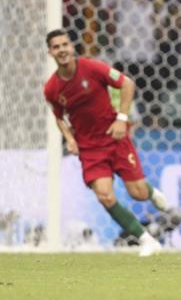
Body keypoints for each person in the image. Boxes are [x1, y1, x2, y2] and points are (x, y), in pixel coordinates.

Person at [43, 30, 166, 257]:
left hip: (115, 137)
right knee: (105, 196)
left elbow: (127, 83)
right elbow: (59, 117)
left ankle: (150, 191)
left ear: (71, 47)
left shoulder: (92, 67)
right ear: (50, 52)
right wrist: (70, 139)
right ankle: (146, 240)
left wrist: (122, 118)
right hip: (90, 148)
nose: (61, 50)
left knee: (137, 193)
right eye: (56, 47)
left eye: (64, 45)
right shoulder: (51, 88)